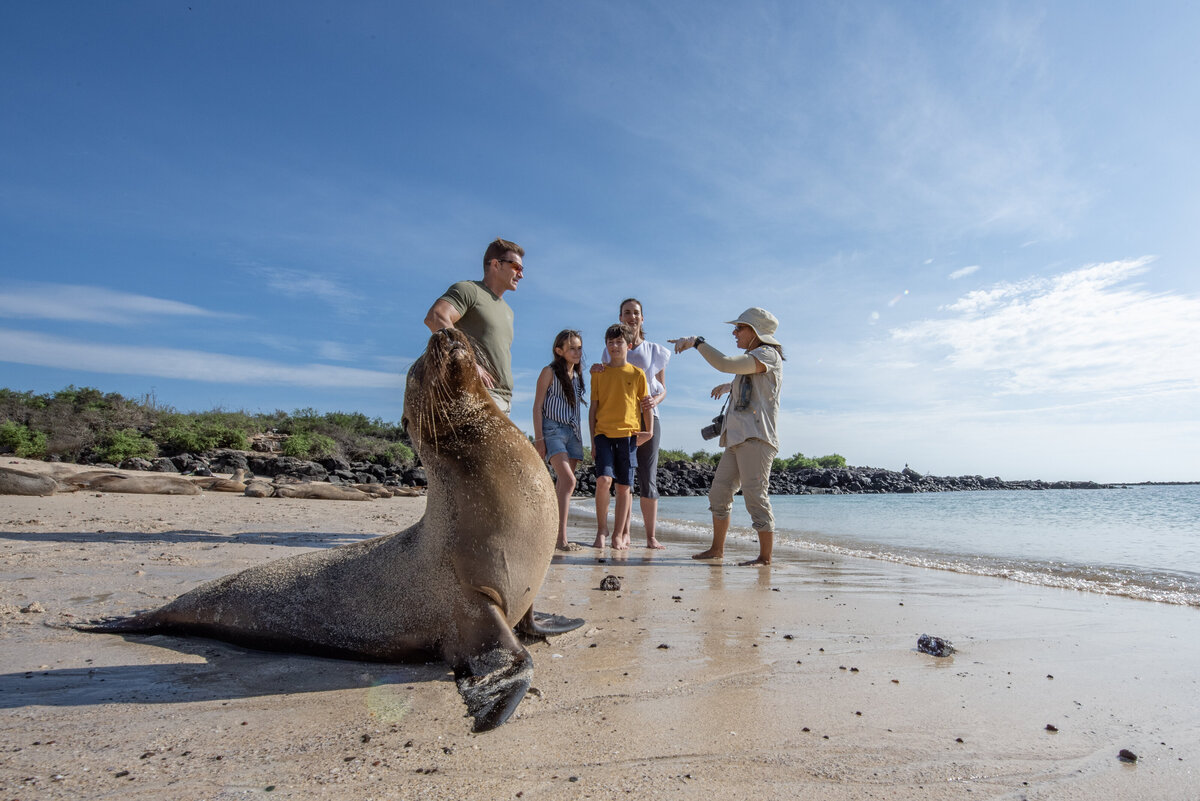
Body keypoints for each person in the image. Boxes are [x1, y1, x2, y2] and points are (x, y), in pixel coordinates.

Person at [669, 308, 783, 566]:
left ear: (755, 332)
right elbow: (748, 382)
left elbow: (725, 364)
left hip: (756, 439)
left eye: (739, 327)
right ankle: (716, 550)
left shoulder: (767, 354)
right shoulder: (754, 358)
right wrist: (728, 386)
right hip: (736, 439)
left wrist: (697, 342)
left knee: (756, 496)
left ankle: (765, 558)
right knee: (719, 494)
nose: (734, 332)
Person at [594, 298, 670, 549]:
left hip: (649, 418)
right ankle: (623, 533)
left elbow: (662, 388)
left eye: (636, 313)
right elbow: (605, 377)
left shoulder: (654, 350)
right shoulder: (611, 348)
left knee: (647, 476)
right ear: (620, 317)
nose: (631, 317)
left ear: (642, 318)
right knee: (623, 477)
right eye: (627, 313)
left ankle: (650, 536)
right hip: (618, 420)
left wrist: (653, 401)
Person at [423, 238, 524, 414]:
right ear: (496, 264)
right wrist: (468, 361)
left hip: (504, 400)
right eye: (516, 267)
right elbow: (436, 317)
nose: (521, 274)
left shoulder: (509, 311)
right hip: (477, 394)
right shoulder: (469, 290)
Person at [589, 323, 653, 550]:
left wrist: (650, 430)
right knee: (604, 481)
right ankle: (601, 530)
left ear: (629, 345)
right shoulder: (598, 373)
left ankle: (618, 534)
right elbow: (593, 409)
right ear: (606, 346)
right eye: (610, 342)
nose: (615, 346)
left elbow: (647, 406)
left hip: (628, 435)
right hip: (603, 434)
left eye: (619, 342)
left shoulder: (638, 374)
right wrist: (592, 439)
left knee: (624, 487)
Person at [532, 329, 587, 552]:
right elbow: (537, 407)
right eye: (572, 348)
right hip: (552, 430)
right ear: (559, 351)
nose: (577, 352)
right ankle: (561, 540)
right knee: (569, 481)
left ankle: (553, 534)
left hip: (573, 433)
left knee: (563, 486)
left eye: (579, 347)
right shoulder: (549, 372)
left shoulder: (578, 376)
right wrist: (539, 439)